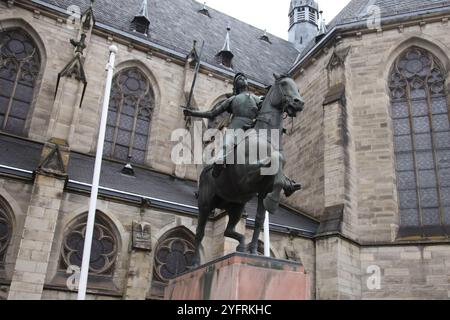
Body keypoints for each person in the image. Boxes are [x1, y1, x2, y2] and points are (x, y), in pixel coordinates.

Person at [184, 73, 261, 177]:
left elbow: (267, 106)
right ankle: (219, 163)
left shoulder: (256, 98)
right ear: (236, 85)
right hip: (236, 126)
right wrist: (193, 113)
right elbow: (212, 113)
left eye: (243, 77)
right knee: (227, 143)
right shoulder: (232, 99)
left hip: (252, 127)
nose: (242, 79)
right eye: (238, 79)